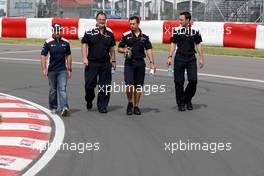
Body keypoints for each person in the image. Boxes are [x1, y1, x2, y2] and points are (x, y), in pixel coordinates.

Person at [167, 11, 205, 112]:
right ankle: (180, 104)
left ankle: (187, 99)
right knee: (179, 82)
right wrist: (170, 56)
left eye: (181, 19)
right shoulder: (176, 30)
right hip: (179, 57)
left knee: (193, 80)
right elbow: (173, 44)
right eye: (179, 19)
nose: (179, 21)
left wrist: (201, 58)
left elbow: (198, 44)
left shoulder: (195, 30)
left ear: (188, 20)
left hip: (191, 58)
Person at [118, 16, 156, 116]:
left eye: (133, 24)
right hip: (129, 63)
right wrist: (125, 50)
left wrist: (152, 63)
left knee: (138, 86)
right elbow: (119, 48)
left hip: (140, 63)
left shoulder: (145, 37)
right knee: (129, 85)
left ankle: (136, 106)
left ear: (138, 23)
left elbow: (148, 49)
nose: (131, 26)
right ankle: (130, 103)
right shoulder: (126, 35)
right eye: (130, 24)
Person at [81, 12, 116, 113]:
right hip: (91, 63)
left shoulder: (109, 33)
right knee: (89, 85)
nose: (101, 21)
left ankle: (102, 106)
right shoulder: (89, 32)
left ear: (105, 21)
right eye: (100, 19)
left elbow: (112, 48)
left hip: (105, 63)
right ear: (96, 20)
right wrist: (84, 58)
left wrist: (113, 60)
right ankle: (89, 99)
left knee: (105, 86)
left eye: (103, 19)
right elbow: (84, 44)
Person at [41, 23, 72, 116]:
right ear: (53, 31)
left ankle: (64, 108)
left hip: (62, 69)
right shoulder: (48, 42)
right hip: (51, 70)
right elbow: (43, 55)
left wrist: (69, 69)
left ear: (61, 31)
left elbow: (69, 55)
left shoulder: (66, 42)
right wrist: (44, 68)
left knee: (62, 89)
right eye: (56, 31)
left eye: (59, 31)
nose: (57, 33)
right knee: (53, 90)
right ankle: (53, 107)